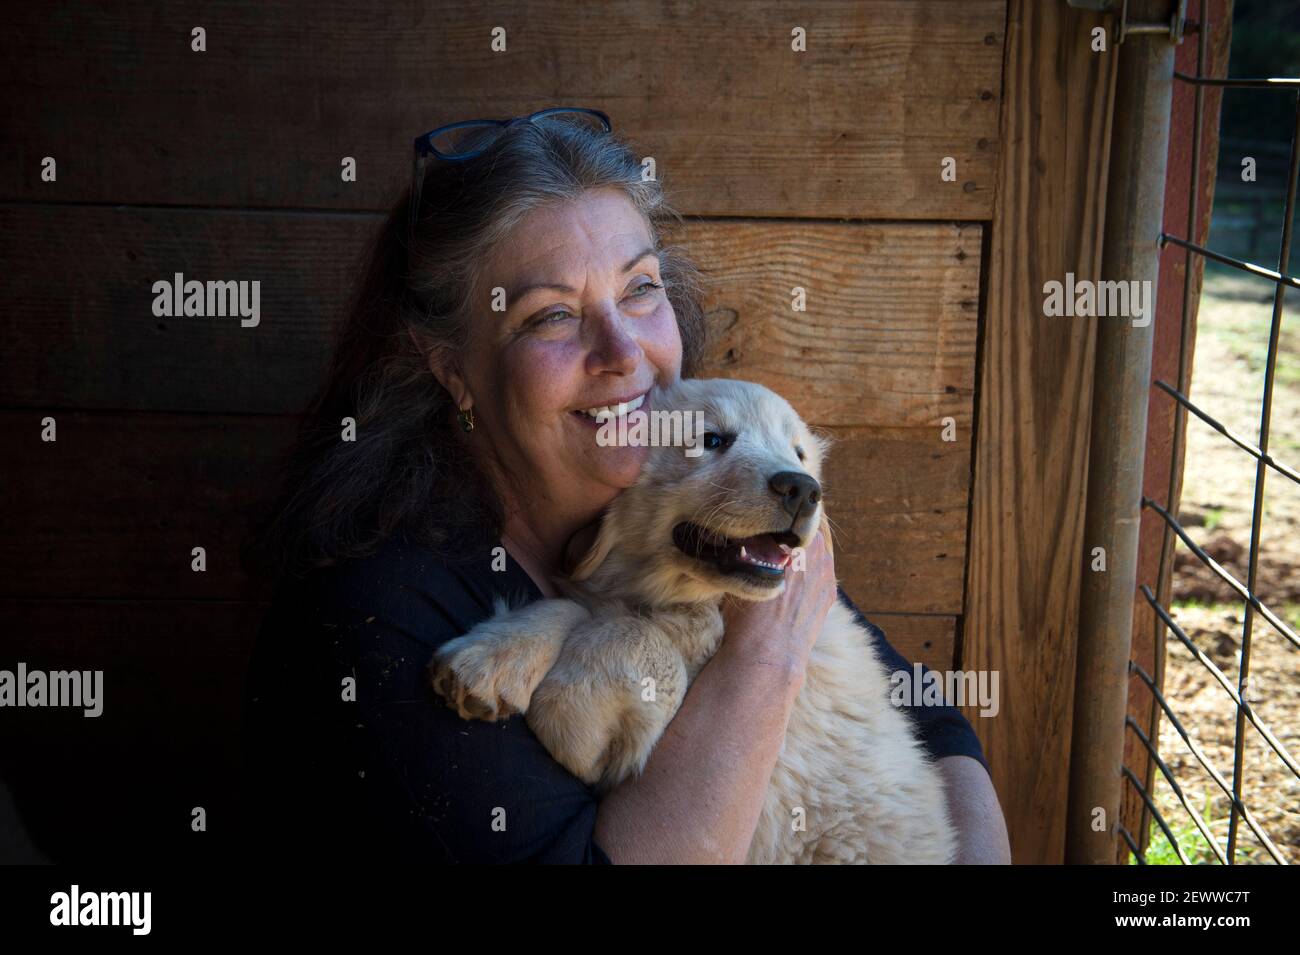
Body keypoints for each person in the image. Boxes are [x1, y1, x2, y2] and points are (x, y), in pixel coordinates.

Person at [240, 110, 1011, 864]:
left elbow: (932, 726)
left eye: (640, 288)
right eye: (551, 316)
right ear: (453, 369)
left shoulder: (684, 513)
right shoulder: (381, 613)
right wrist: (763, 660)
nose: (621, 351)